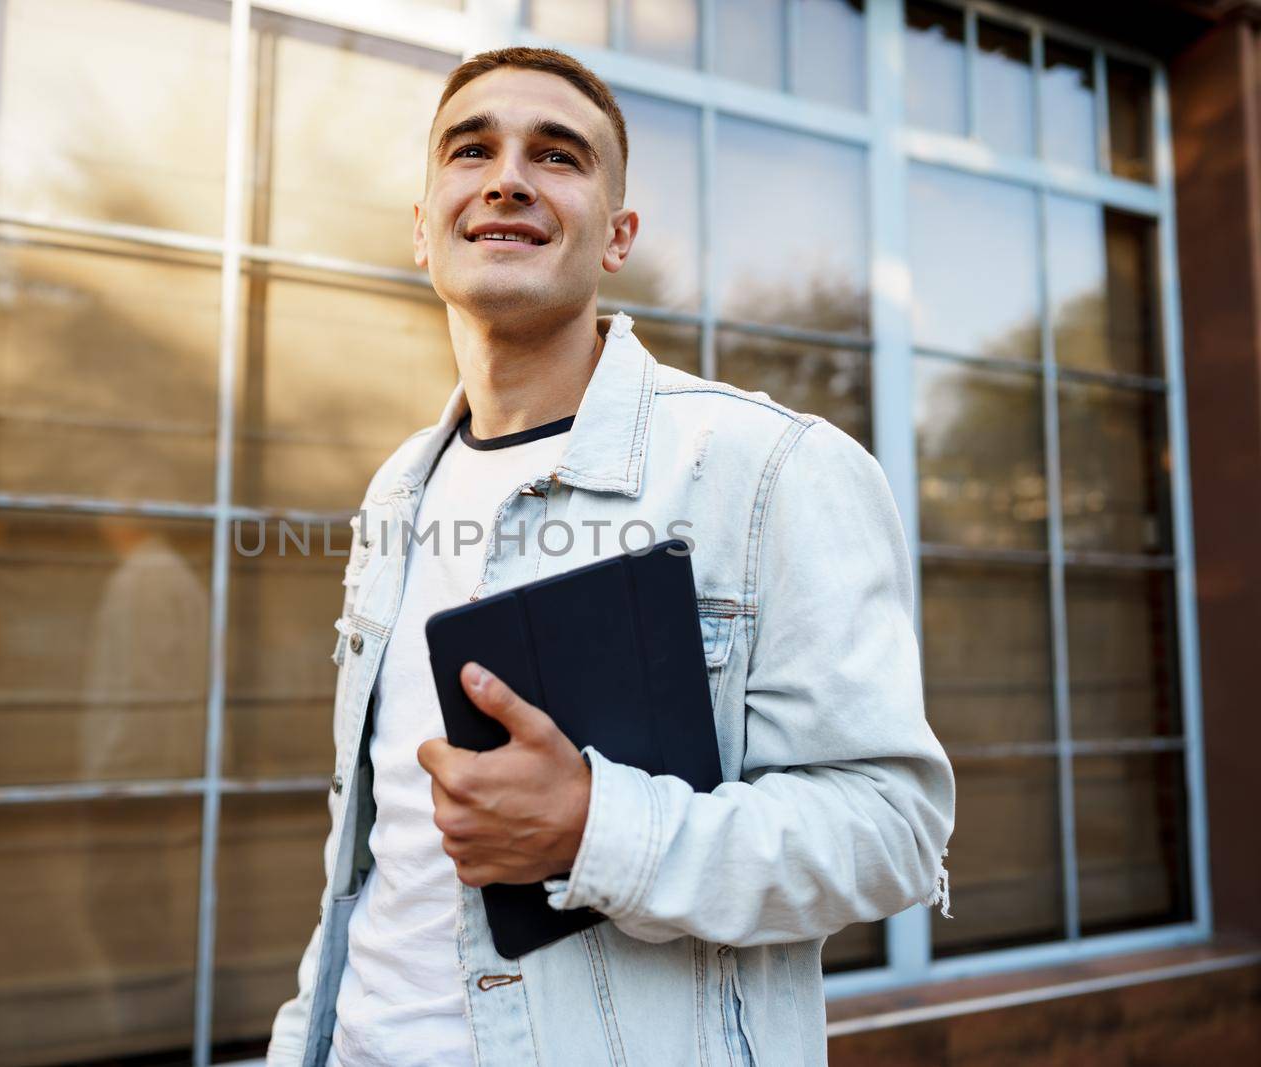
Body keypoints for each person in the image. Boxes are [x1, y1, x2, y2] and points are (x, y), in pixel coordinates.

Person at [266, 46, 954, 1067]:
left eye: (557, 155)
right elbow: (369, 847)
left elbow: (893, 830)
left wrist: (596, 829)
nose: (507, 176)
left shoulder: (768, 470)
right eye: (471, 149)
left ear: (616, 235)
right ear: (423, 227)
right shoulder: (397, 490)